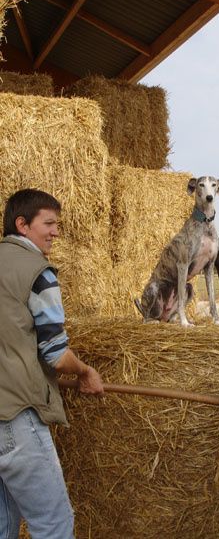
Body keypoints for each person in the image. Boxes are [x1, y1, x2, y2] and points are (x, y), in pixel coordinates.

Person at [0, 189, 104, 538]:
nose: (56, 232)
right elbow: (56, 355)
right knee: (54, 524)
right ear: (22, 225)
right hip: (15, 418)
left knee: (2, 525)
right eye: (49, 223)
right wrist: (86, 371)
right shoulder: (39, 272)